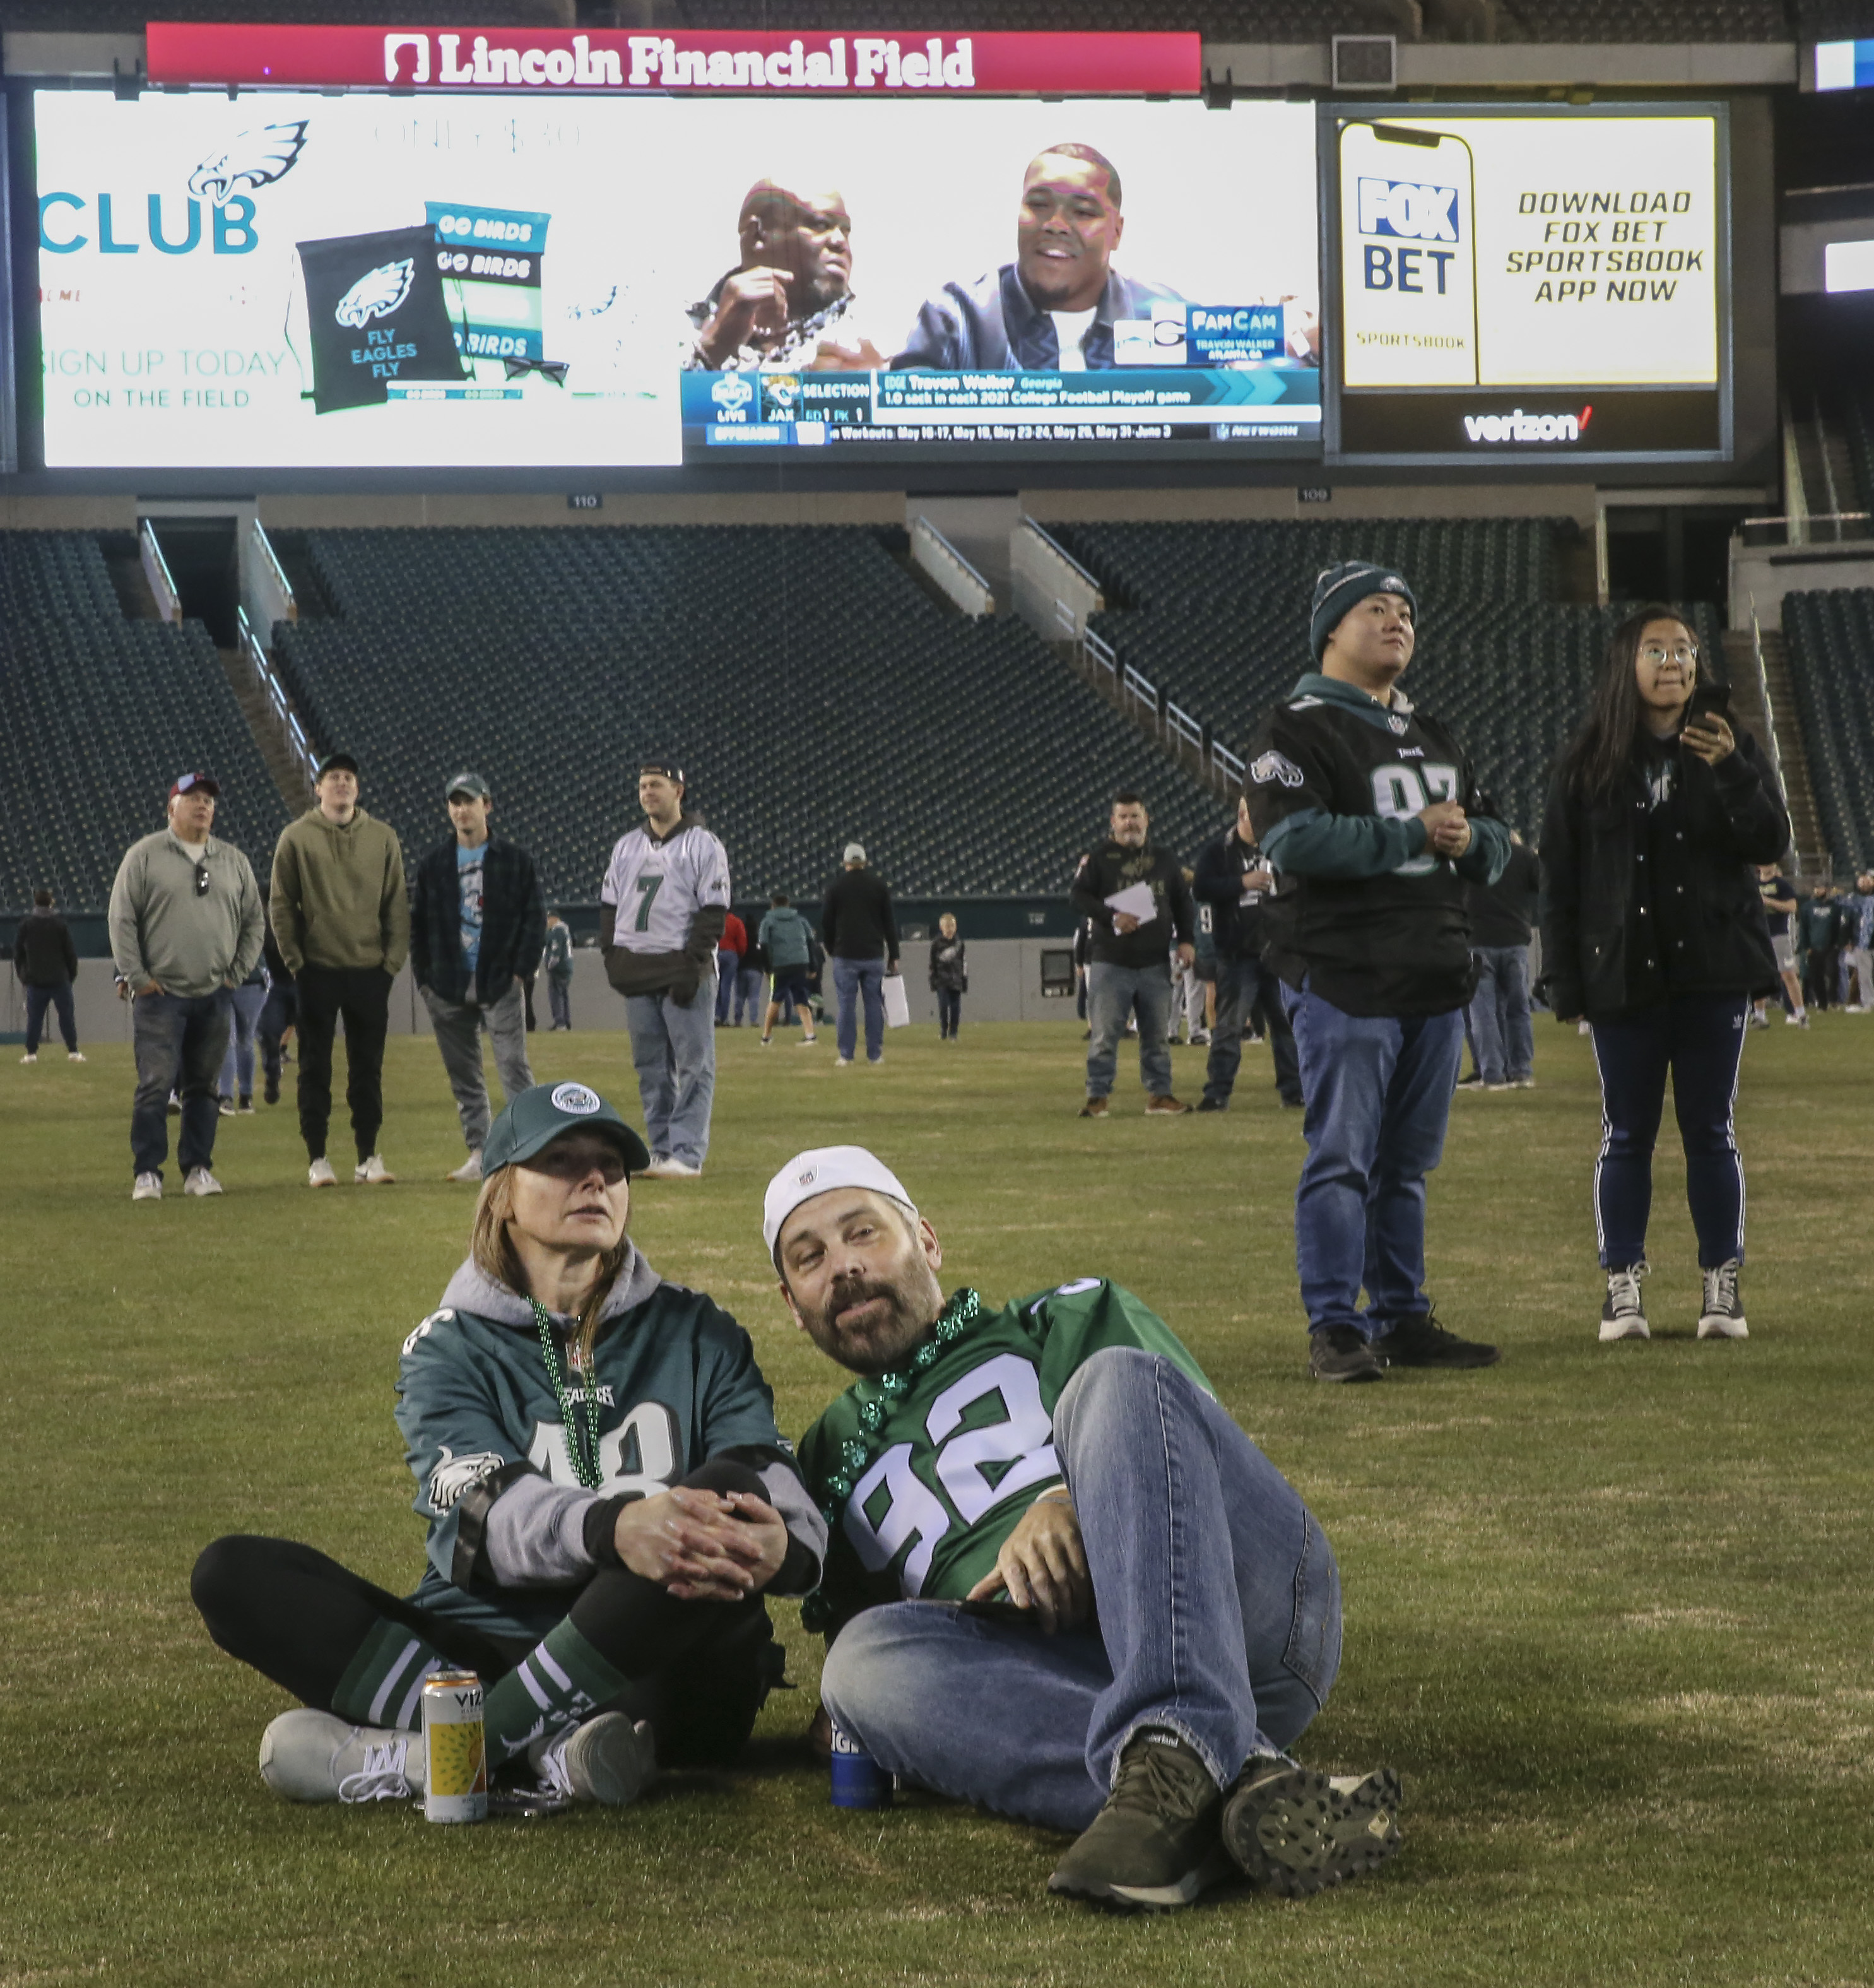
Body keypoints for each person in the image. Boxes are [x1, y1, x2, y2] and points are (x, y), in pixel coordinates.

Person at [771, 1146, 1400, 1911]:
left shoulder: (1063, 1313)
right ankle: (1238, 1785)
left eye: (862, 1233)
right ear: (792, 1304)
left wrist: (1071, 1503)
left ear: (927, 1241)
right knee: (860, 1664)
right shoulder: (826, 1455)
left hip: (1240, 1618)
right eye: (811, 1259)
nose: (842, 1266)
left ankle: (1187, 1745)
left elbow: (1173, 1433)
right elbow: (856, 1692)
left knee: (1118, 1378)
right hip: (1064, 1680)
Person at [191, 1081, 826, 1809]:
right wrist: (615, 1527)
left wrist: (786, 1551)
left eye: (611, 1166)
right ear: (501, 1195)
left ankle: (445, 1753)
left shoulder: (699, 1329)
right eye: (561, 1160)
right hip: (486, 1641)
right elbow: (482, 1516)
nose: (595, 1179)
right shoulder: (447, 1349)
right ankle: (556, 1749)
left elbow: (769, 1475)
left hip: (663, 1663)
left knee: (714, 1502)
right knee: (234, 1574)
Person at [1246, 563, 1510, 1383]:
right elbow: (1293, 842)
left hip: (1433, 971)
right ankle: (1335, 1325)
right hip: (1342, 972)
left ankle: (1401, 1315)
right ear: (1330, 628)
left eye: (1404, 612)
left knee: (1405, 1166)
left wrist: (1474, 844)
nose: (1396, 621)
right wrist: (1411, 834)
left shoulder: (1433, 730)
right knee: (1341, 1157)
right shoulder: (1294, 726)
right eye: (1374, 609)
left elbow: (1497, 839)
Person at [1540, 606, 1789, 1346]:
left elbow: (1771, 839)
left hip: (1713, 972)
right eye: (1657, 649)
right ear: (1627, 664)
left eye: (1685, 649)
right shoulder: (1587, 761)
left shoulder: (1731, 745)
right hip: (1625, 980)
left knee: (1712, 1130)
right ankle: (1623, 1287)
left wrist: (1734, 771)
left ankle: (1722, 1283)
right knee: (1627, 1136)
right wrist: (1567, 982)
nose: (1675, 661)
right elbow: (1561, 880)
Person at [109, 772, 264, 1202]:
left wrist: (236, 972)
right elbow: (122, 920)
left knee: (204, 1087)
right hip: (161, 995)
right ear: (171, 807)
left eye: (209, 801)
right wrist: (138, 977)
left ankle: (198, 1168)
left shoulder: (233, 860)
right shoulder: (144, 856)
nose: (203, 806)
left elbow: (254, 920)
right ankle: (147, 1172)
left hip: (214, 991)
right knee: (156, 1085)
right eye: (192, 798)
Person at [895, 145, 1184, 373]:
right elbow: (904, 431)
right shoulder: (959, 317)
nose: (1056, 224)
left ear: (1116, 233)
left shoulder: (1168, 321)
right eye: (1039, 205)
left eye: (1082, 212)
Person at [270, 752, 409, 1190]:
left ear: (358, 787)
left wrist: (390, 965)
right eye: (333, 777)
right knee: (315, 1067)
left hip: (370, 970)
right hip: (318, 971)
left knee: (367, 1069)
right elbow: (280, 904)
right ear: (318, 787)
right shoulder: (296, 837)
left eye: (349, 777)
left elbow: (397, 905)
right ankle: (318, 1158)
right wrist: (296, 963)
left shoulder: (383, 838)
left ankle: (368, 1155)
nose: (342, 784)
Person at [411, 772, 547, 1186]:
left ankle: (532, 1148)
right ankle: (480, 1153)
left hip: (499, 979)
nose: (461, 809)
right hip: (448, 984)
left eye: (469, 801)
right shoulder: (434, 864)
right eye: (455, 802)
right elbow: (417, 927)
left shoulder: (515, 860)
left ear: (487, 806)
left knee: (512, 1066)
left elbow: (534, 919)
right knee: (465, 1077)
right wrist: (426, 983)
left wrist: (520, 972)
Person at [599, 761, 731, 1180]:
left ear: (679, 790)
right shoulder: (626, 846)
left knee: (694, 1064)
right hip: (638, 968)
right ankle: (660, 1150)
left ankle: (687, 1154)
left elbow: (714, 911)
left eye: (656, 784)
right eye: (641, 785)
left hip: (681, 967)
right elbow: (609, 906)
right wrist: (611, 955)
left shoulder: (703, 844)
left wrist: (692, 964)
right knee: (650, 1067)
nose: (647, 791)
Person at [1069, 795, 1196, 1118]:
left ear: (1147, 819)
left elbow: (1182, 902)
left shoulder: (1165, 859)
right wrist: (1112, 917)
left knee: (1157, 1037)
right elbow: (1079, 896)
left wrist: (1187, 940)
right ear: (1113, 822)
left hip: (1154, 961)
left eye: (1135, 816)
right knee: (1104, 1036)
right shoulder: (1099, 859)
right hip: (1112, 961)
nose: (1130, 823)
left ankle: (1160, 1095)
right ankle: (1097, 1097)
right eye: (1123, 817)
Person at [684, 180, 883, 373]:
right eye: (821, 225)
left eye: (845, 231)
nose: (840, 242)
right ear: (758, 235)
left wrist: (874, 387)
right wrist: (713, 349)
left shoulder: (876, 342)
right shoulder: (679, 336)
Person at [1192, 798, 1300, 1113]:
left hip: (1276, 951)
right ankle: (1217, 1092)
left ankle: (1294, 1091)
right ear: (1242, 817)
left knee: (1287, 1026)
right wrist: (1241, 883)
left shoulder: (1278, 847)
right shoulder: (1219, 852)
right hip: (1238, 954)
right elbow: (1200, 888)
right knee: (1230, 1026)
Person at [1463, 828, 1541, 1091]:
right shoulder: (1524, 856)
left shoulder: (1468, 855)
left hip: (1477, 942)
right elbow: (1543, 885)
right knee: (1518, 1009)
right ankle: (1522, 1071)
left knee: (1482, 1012)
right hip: (1515, 941)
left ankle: (1492, 1073)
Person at [822, 843, 900, 1068]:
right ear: (865, 862)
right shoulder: (879, 887)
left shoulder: (835, 888)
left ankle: (846, 1054)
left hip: (845, 954)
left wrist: (831, 948)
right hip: (873, 954)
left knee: (846, 1005)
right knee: (874, 1005)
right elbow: (889, 924)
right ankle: (875, 1054)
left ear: (846, 863)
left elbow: (826, 923)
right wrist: (894, 953)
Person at [14, 887, 83, 1064]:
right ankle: (73, 1051)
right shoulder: (60, 925)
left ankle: (31, 1054)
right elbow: (70, 954)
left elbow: (18, 954)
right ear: (51, 902)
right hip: (60, 979)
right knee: (66, 1016)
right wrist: (70, 976)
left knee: (34, 1019)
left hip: (35, 981)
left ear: (35, 903)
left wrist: (24, 977)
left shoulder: (26, 925)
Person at [758, 891, 820, 1047]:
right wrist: (813, 966)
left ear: (773, 906)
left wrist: (767, 968)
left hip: (780, 964)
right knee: (801, 999)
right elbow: (811, 943)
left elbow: (764, 945)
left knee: (776, 999)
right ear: (788, 905)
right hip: (800, 962)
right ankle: (810, 1034)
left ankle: (766, 1036)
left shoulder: (768, 921)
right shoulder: (801, 920)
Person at [256, 890, 297, 1104]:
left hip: (303, 981)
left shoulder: (305, 914)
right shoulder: (265, 924)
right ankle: (272, 1076)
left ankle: (311, 1088)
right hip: (277, 984)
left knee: (313, 1036)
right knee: (270, 1034)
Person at [1752, 863, 1805, 1028]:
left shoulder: (1782, 884)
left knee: (1788, 974)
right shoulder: (1753, 885)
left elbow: (1792, 907)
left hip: (1779, 935)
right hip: (1758, 935)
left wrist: (1768, 901)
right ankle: (1760, 1016)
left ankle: (1801, 1014)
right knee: (1758, 976)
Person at [217, 956, 268, 1113]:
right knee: (227, 1038)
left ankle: (246, 1094)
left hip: (251, 979)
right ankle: (226, 1096)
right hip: (221, 979)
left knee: (245, 1040)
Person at [1798, 881, 1842, 1014]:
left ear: (1826, 890)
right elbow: (1803, 928)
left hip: (1830, 946)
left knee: (1832, 973)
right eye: (1816, 888)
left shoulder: (1835, 907)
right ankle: (1822, 1005)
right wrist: (1806, 946)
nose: (1818, 890)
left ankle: (1833, 1000)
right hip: (1814, 946)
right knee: (1816, 977)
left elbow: (1838, 926)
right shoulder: (1807, 907)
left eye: (1821, 888)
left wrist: (1837, 944)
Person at [928, 912, 967, 1040]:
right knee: (943, 1006)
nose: (950, 929)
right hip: (942, 980)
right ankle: (944, 1029)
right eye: (947, 927)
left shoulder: (959, 943)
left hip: (956, 979)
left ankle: (954, 1032)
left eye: (952, 926)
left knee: (956, 1007)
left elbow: (963, 962)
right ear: (941, 928)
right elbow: (932, 963)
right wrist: (933, 980)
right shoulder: (936, 944)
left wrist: (964, 980)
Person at [1842, 872, 1874, 1011]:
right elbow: (1847, 921)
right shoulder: (1853, 899)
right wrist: (1847, 940)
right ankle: (1868, 1002)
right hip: (1861, 942)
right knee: (1864, 975)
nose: (1865, 884)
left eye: (1869, 881)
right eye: (1863, 881)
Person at [542, 909, 575, 1031]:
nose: (547, 921)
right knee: (563, 994)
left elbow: (556, 952)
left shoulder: (558, 930)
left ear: (555, 918)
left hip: (559, 968)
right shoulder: (562, 929)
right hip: (566, 967)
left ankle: (560, 1022)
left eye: (549, 919)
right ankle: (566, 1021)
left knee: (556, 995)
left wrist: (550, 966)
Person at [714, 908, 748, 1026]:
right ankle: (724, 1017)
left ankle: (716, 1015)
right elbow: (742, 941)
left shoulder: (715, 921)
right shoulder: (736, 921)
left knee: (715, 986)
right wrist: (740, 954)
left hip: (716, 953)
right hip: (731, 954)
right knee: (726, 987)